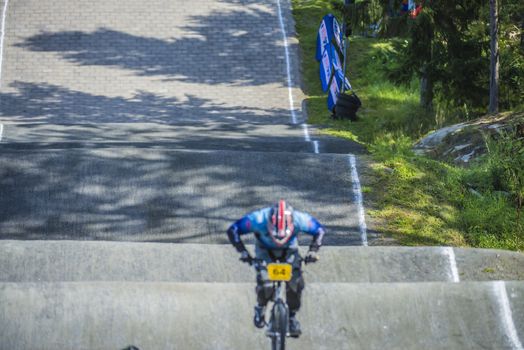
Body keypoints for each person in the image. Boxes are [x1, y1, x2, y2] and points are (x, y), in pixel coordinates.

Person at [226, 200, 326, 337]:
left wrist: (313, 251)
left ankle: (291, 317)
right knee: (266, 284)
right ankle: (260, 308)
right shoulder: (258, 219)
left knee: (295, 284)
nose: (278, 239)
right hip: (265, 251)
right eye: (274, 234)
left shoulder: (299, 219)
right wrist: (243, 252)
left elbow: (319, 231)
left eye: (284, 235)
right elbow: (233, 229)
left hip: (289, 251)